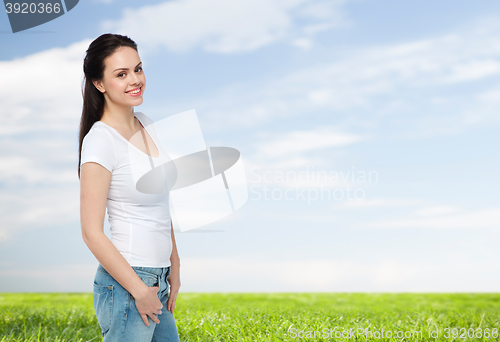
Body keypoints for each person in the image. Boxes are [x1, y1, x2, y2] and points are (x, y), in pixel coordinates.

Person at [78, 33, 181, 342]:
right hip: (128, 283)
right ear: (99, 83)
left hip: (157, 276)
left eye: (137, 69)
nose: (135, 80)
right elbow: (90, 232)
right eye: (121, 74)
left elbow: (161, 202)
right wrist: (139, 289)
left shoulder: (147, 123)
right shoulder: (100, 141)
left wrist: (174, 266)